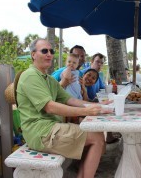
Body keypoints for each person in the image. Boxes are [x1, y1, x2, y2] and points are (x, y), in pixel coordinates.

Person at [17, 38, 106, 178]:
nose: (49, 54)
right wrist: (85, 111)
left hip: (50, 129)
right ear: (33, 54)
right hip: (41, 133)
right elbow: (50, 107)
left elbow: (70, 99)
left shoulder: (49, 79)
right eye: (44, 51)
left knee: (97, 135)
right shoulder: (30, 76)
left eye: (51, 51)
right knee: (97, 138)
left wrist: (99, 106)